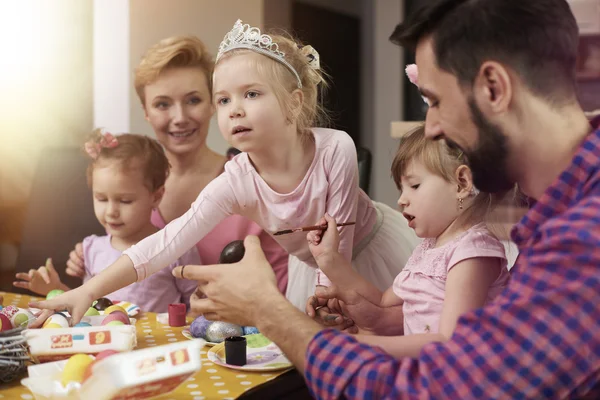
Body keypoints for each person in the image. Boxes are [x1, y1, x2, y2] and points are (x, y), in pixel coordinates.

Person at [162, 1, 600, 398]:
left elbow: (441, 387)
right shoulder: (557, 212)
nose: (430, 128)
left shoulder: (586, 235)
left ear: (493, 87)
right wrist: (372, 318)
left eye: (434, 101)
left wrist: (268, 310)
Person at [31, 19, 419, 321]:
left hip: (367, 256)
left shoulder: (336, 148)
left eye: (251, 94)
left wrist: (324, 294)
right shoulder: (235, 182)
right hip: (315, 272)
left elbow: (339, 250)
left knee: (397, 336)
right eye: (224, 99)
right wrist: (88, 289)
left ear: (294, 103)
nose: (234, 108)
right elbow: (164, 243)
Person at [63, 35, 289, 301]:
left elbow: (283, 291)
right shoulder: (129, 184)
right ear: (146, 111)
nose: (180, 118)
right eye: (162, 104)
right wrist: (87, 258)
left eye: (193, 100)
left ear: (213, 104)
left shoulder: (253, 183)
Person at [305, 126, 510, 356]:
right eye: (401, 189)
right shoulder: (429, 249)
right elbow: (383, 301)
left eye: (414, 186)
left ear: (461, 183)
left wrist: (357, 345)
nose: (402, 200)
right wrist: (329, 259)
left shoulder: (473, 252)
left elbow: (449, 343)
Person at [15, 131, 198, 313]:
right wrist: (54, 289)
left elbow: (197, 305)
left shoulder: (176, 248)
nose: (111, 212)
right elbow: (87, 308)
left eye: (125, 201)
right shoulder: (90, 249)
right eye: (101, 199)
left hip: (157, 341)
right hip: (101, 340)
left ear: (156, 196)